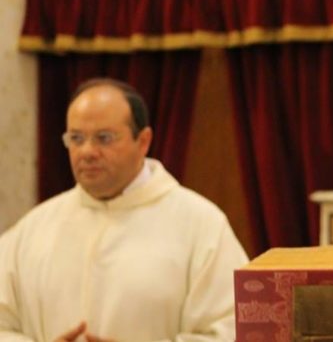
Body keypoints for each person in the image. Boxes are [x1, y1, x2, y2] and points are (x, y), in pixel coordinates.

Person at [0, 78, 248, 341]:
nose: (87, 151)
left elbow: (233, 330)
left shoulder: (201, 225)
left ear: (143, 141)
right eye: (76, 138)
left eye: (104, 138)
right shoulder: (32, 229)